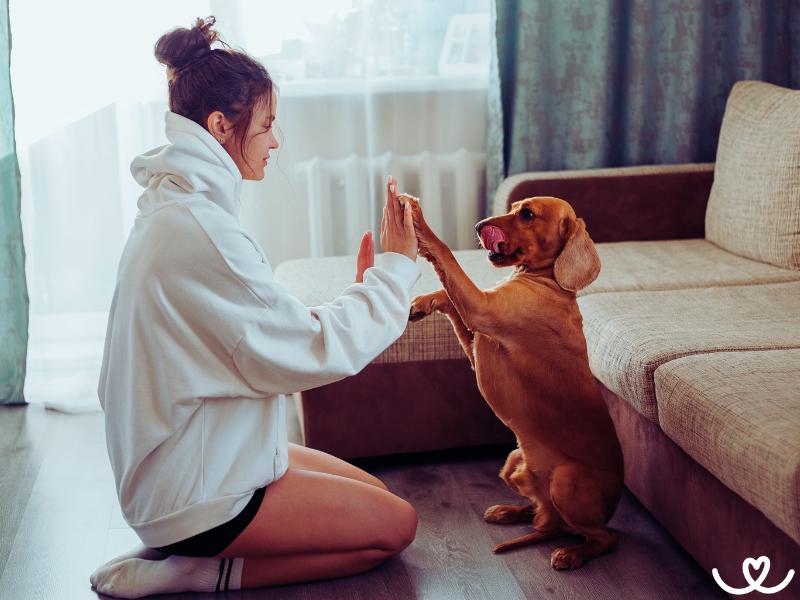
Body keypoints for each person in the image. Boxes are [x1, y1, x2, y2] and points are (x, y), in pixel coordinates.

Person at [89, 16, 420, 598]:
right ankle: (195, 570)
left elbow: (265, 332)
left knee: (379, 499)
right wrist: (393, 274)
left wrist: (364, 289)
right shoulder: (198, 230)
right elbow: (308, 350)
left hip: (194, 453)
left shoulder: (182, 209)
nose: (277, 140)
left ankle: (190, 550)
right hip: (192, 493)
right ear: (219, 126)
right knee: (396, 527)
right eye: (267, 124)